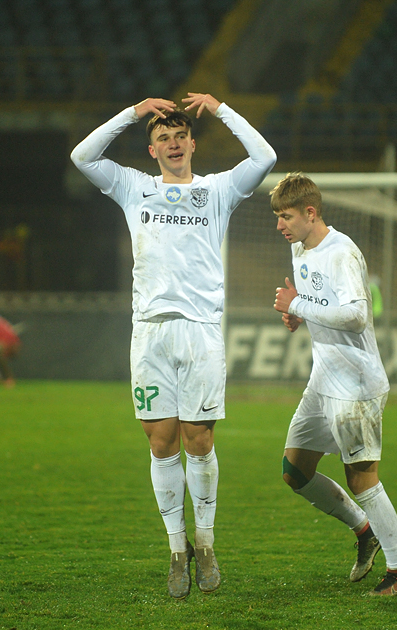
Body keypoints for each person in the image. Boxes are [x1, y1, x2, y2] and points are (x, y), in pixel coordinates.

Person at [70, 93, 276, 599]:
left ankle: (205, 543)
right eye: (163, 137)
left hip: (201, 331)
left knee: (198, 441)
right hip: (150, 333)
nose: (173, 143)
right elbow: (82, 156)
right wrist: (134, 112)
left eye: (181, 135)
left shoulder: (217, 190)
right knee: (161, 443)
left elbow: (265, 157)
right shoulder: (133, 187)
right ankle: (176, 551)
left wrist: (221, 109)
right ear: (153, 150)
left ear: (192, 144)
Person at [270, 172, 397, 597]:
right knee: (295, 471)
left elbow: (356, 315)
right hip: (323, 380)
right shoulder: (299, 247)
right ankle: (364, 531)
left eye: (286, 216)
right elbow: (324, 305)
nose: (279, 225)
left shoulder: (342, 252)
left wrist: (298, 304)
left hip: (355, 384)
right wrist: (299, 315)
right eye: (278, 216)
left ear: (310, 212)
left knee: (362, 479)